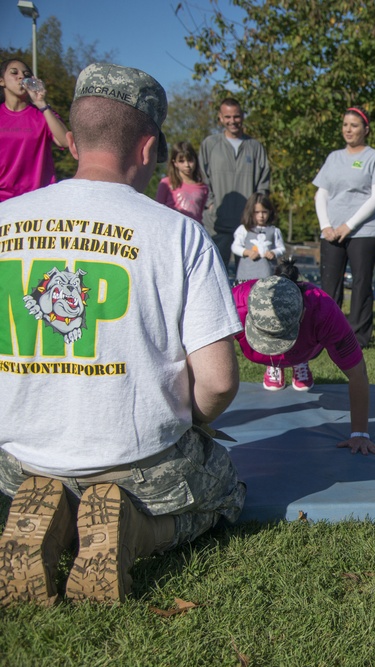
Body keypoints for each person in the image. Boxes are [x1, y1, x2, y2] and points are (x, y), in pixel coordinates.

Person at [0, 63, 245, 606]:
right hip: (136, 468)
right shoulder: (179, 234)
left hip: (17, 465)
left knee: (24, 482)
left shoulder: (5, 219)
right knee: (224, 491)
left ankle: (49, 517)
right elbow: (220, 381)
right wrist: (196, 420)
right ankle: (131, 532)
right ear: (146, 148)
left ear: (75, 140)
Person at [231, 265, 375, 457]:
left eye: (280, 338)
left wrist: (360, 433)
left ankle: (298, 362)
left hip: (306, 349)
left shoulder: (324, 311)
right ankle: (274, 365)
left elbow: (357, 373)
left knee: (300, 354)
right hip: (260, 349)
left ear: (303, 313)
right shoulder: (234, 303)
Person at [313, 107, 375, 348]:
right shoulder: (333, 157)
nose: (348, 129)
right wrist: (326, 226)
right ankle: (327, 333)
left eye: (354, 125)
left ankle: (358, 337)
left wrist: (349, 225)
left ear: (365, 130)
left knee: (361, 283)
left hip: (364, 231)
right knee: (329, 284)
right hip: (332, 231)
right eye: (345, 124)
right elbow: (321, 194)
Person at [200, 98, 271, 269]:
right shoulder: (210, 144)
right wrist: (210, 203)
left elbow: (264, 183)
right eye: (228, 117)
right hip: (217, 225)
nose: (232, 121)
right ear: (220, 117)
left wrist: (257, 212)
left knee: (248, 280)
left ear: (243, 116)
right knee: (215, 274)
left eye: (236, 116)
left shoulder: (255, 147)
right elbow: (202, 178)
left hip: (248, 227)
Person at [0, 58, 69, 202]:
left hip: (38, 201)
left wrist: (41, 103)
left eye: (26, 74)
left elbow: (65, 142)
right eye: (14, 73)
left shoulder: (43, 114)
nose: (21, 77)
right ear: (2, 81)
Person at [231, 192, 285, 283]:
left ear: (270, 212)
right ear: (250, 212)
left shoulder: (274, 231)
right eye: (257, 212)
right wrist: (247, 252)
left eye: (264, 212)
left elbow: (281, 248)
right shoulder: (244, 229)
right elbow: (235, 246)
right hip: (246, 274)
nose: (261, 216)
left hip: (267, 274)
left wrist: (274, 252)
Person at [155, 141, 210, 223]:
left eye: (190, 160)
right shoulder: (166, 183)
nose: (187, 165)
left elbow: (200, 215)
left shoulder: (203, 188)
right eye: (182, 161)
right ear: (175, 163)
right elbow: (158, 209)